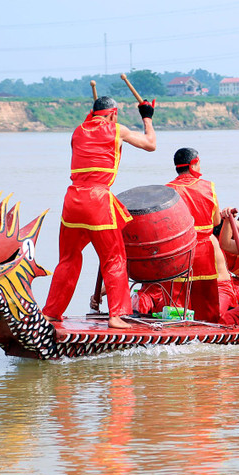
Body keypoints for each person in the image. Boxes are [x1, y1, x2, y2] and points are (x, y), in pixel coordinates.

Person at [42, 96, 156, 329]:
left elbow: (91, 128)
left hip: (72, 201)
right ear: (113, 114)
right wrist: (147, 117)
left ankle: (51, 312)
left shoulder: (77, 131)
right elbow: (150, 144)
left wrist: (95, 117)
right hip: (97, 200)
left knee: (68, 258)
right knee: (114, 258)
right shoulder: (117, 129)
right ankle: (116, 316)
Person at [134, 147, 232, 322]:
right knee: (205, 302)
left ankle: (175, 331)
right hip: (202, 250)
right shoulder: (208, 187)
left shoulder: (166, 191)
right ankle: (208, 332)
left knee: (175, 301)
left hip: (176, 252)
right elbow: (216, 222)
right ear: (194, 164)